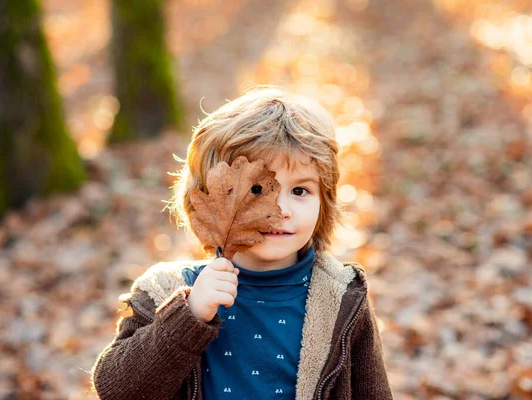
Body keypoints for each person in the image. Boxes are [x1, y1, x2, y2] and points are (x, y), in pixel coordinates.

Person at [91, 86, 393, 399]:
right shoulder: (165, 291)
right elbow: (117, 390)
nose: (282, 211)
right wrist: (188, 315)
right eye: (259, 190)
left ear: (324, 202)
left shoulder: (342, 296)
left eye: (300, 191)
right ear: (212, 199)